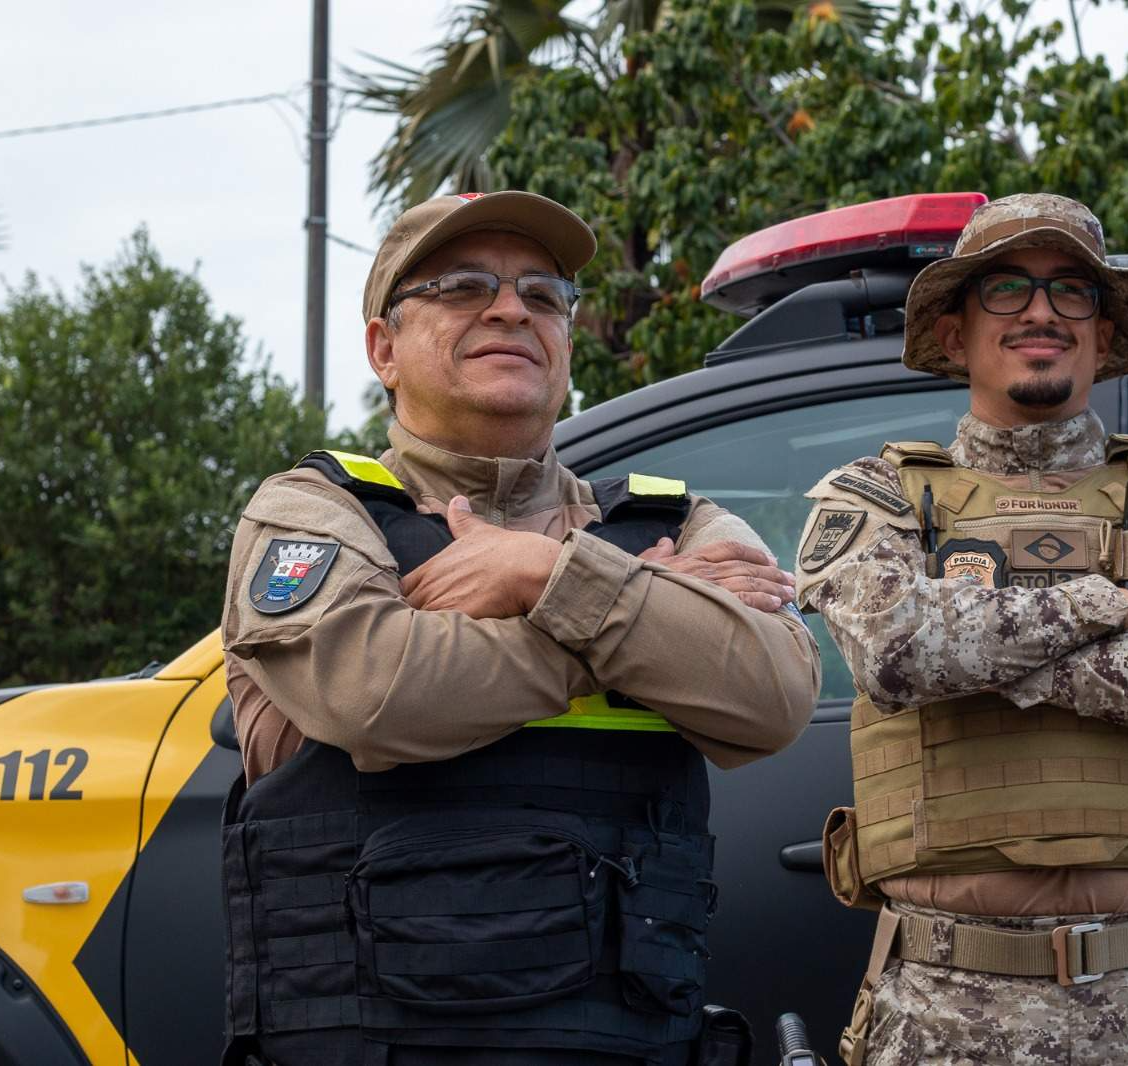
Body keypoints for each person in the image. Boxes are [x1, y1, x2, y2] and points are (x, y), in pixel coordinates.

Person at [218, 190, 821, 1066]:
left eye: (544, 295)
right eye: (463, 286)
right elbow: (375, 689)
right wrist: (637, 611)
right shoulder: (312, 511)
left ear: (566, 339)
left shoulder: (676, 520)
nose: (511, 309)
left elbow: (772, 693)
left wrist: (546, 573)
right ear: (384, 349)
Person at [796, 193, 1128, 1065]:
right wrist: (1103, 604)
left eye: (1073, 292)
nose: (1040, 312)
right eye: (1005, 290)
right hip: (941, 1013)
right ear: (954, 335)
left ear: (1104, 337)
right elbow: (898, 649)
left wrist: (988, 656)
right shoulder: (874, 500)